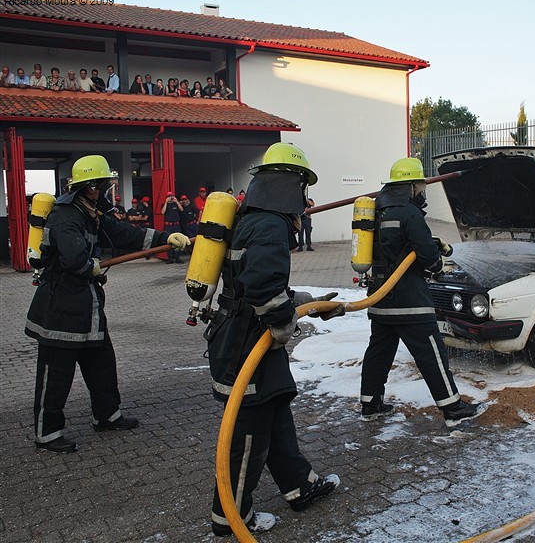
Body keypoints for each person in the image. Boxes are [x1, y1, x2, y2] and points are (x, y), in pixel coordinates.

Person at [205, 142, 341, 536]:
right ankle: (229, 516)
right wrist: (284, 324)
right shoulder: (270, 224)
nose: (305, 197)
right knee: (248, 435)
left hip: (245, 336)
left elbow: (253, 285)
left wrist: (308, 303)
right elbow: (262, 285)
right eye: (303, 187)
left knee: (275, 412)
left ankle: (299, 486)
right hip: (244, 346)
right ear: (290, 184)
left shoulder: (254, 216)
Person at [24, 155, 191, 453]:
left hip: (87, 308)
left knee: (102, 364)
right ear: (90, 187)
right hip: (60, 308)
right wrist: (91, 266)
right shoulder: (65, 215)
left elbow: (124, 233)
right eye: (103, 185)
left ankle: (107, 415)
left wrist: (166, 237)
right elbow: (74, 259)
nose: (106, 191)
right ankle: (47, 433)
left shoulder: (91, 213)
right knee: (56, 374)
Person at [359, 157, 485, 427]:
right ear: (411, 186)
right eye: (420, 186)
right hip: (411, 302)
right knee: (432, 353)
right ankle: (453, 408)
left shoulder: (376, 212)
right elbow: (428, 259)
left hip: (380, 300)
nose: (422, 191)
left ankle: (370, 403)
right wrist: (438, 260)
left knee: (378, 354)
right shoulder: (410, 214)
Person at [161, 192, 184, 263]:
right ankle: (170, 257)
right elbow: (162, 212)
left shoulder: (176, 204)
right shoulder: (164, 205)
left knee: (178, 240)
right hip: (168, 226)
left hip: (176, 225)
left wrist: (176, 202)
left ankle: (177, 257)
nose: (171, 198)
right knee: (169, 241)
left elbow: (181, 209)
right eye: (169, 196)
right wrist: (166, 202)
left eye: (172, 196)